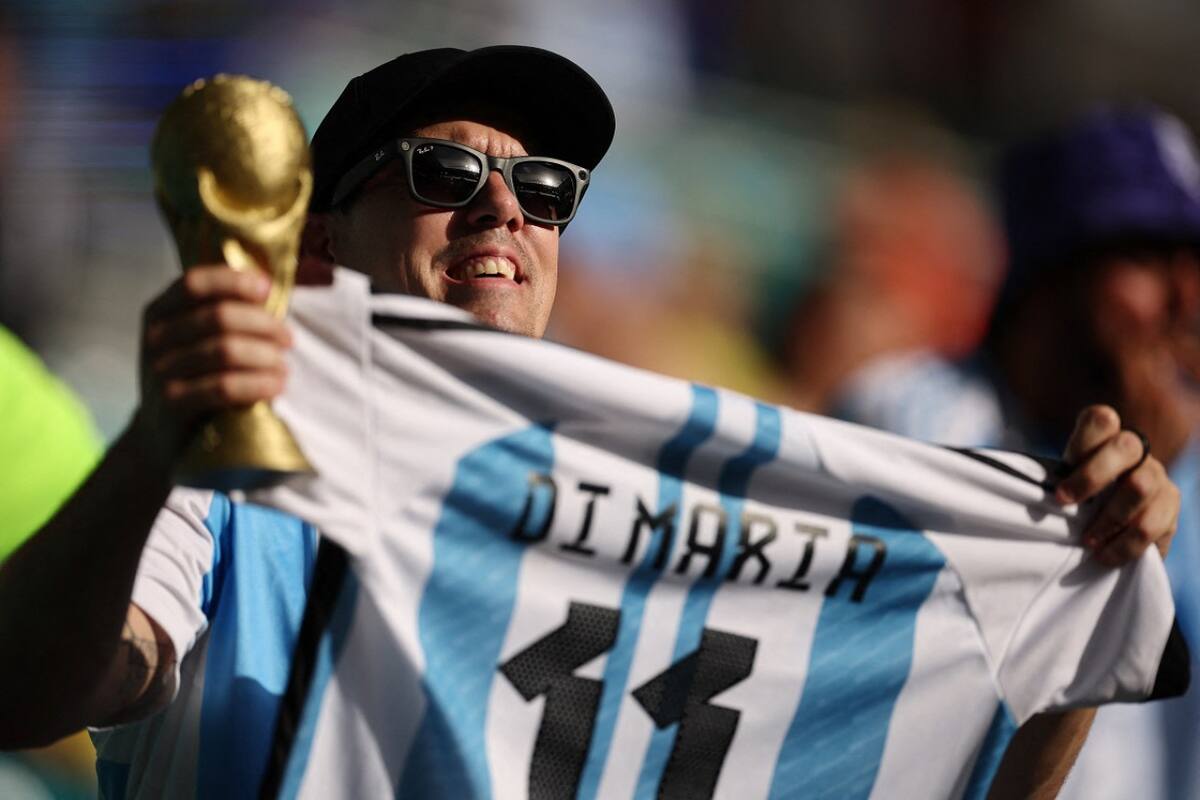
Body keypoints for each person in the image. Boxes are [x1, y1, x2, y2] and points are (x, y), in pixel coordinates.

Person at [0, 48, 1182, 799]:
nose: (505, 209)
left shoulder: (662, 518)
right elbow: (37, 687)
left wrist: (1082, 580)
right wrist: (153, 449)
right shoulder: (227, 475)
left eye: (545, 189)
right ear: (317, 247)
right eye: (443, 174)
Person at [830, 107, 1200, 798]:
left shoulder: (1194, 454)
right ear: (1052, 272)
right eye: (1148, 257)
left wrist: (1166, 483)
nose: (1187, 297)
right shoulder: (910, 414)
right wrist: (1115, 521)